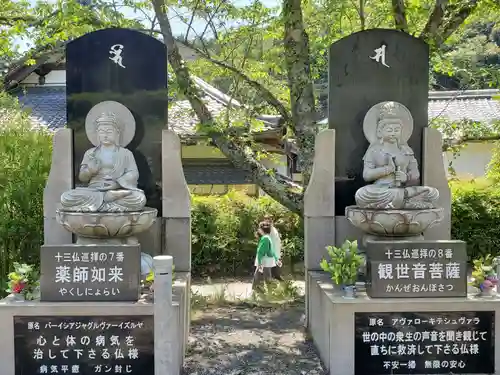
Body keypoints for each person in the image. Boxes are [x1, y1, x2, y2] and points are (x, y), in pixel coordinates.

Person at [354, 101, 439, 209]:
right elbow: (366, 175)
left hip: (403, 189)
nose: (393, 133)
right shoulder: (373, 151)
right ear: (380, 132)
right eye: (389, 130)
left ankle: (398, 202)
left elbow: (415, 174)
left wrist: (406, 177)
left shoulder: (406, 151)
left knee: (433, 193)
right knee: (361, 194)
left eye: (397, 130)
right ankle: (406, 203)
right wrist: (386, 170)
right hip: (381, 190)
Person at [60, 111, 147, 212]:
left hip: (117, 189)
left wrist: (117, 184)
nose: (105, 135)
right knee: (66, 197)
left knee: (139, 198)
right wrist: (89, 171)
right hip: (94, 190)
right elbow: (82, 178)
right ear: (97, 133)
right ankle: (107, 200)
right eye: (101, 132)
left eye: (109, 132)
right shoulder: (90, 153)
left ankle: (101, 203)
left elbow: (133, 173)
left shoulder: (126, 154)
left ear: (117, 133)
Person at [252, 222, 281, 290]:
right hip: (268, 261)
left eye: (259, 228)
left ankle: (257, 292)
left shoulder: (265, 238)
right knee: (265, 277)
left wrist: (259, 263)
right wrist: (276, 259)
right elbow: (272, 250)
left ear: (262, 230)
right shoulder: (268, 238)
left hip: (263, 261)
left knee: (258, 278)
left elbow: (260, 252)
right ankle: (269, 292)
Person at [263, 215, 283, 281]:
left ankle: (277, 276)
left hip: (276, 250)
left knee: (276, 264)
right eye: (267, 220)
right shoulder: (266, 229)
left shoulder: (274, 228)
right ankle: (270, 280)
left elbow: (277, 239)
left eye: (270, 220)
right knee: (269, 267)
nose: (269, 221)